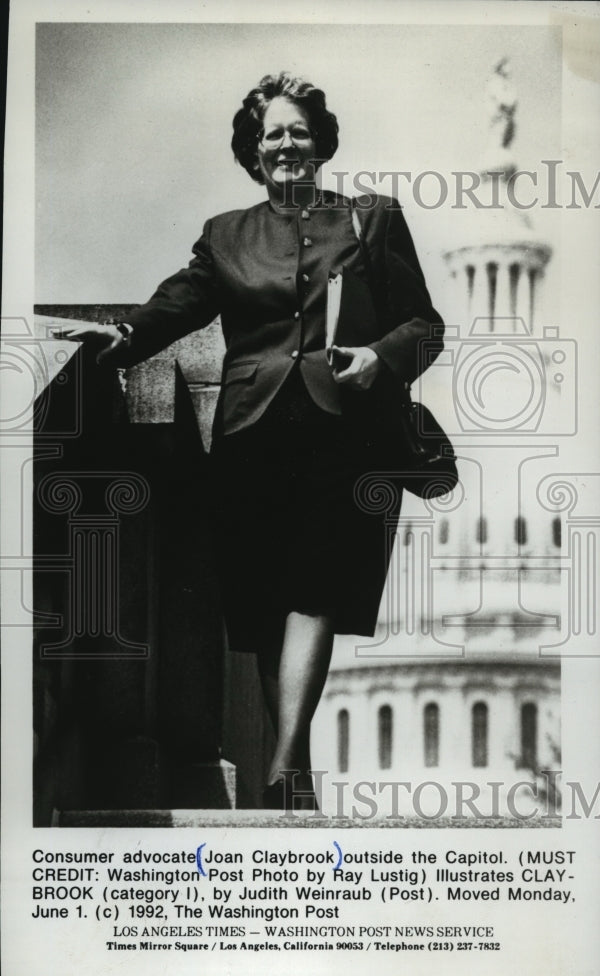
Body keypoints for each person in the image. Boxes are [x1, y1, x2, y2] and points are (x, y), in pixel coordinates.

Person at [66, 71, 444, 811]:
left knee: (316, 591)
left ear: (321, 141)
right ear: (254, 150)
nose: (287, 144)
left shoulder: (371, 219)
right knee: (268, 603)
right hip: (250, 433)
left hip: (341, 429)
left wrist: (378, 358)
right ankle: (293, 770)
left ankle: (280, 767)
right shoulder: (225, 235)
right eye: (273, 133)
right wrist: (122, 335)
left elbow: (425, 324)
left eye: (299, 130)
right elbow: (182, 300)